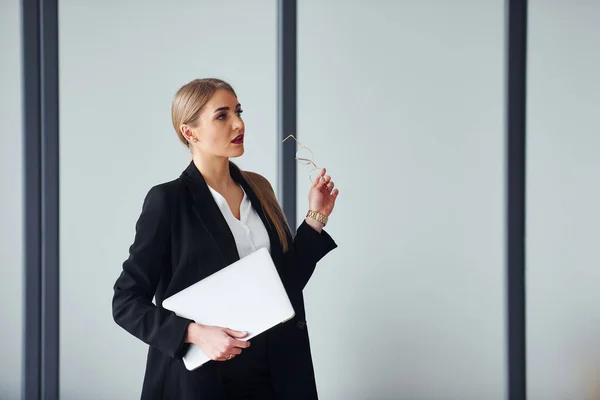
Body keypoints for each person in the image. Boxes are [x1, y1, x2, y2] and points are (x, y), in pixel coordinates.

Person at [111, 78, 339, 399]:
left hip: (274, 374)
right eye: (222, 115)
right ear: (190, 132)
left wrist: (316, 217)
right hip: (206, 382)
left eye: (238, 111)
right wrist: (194, 334)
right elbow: (126, 302)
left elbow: (284, 284)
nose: (238, 123)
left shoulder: (258, 188)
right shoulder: (169, 200)